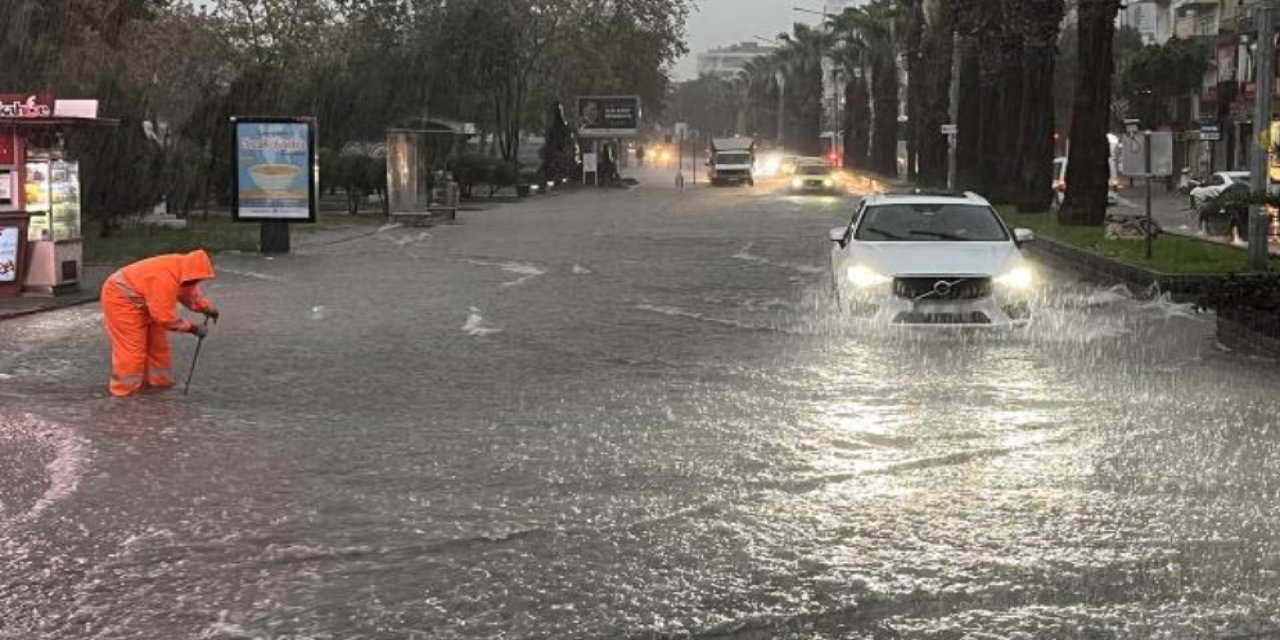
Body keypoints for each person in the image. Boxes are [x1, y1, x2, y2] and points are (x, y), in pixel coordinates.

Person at [100, 249, 218, 397]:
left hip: (144, 298)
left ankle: (159, 382)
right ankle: (124, 391)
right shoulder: (165, 278)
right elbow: (165, 319)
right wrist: (193, 328)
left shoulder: (183, 271)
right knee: (132, 350)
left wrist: (207, 308)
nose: (196, 283)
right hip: (120, 299)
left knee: (158, 346)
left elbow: (188, 294)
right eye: (196, 280)